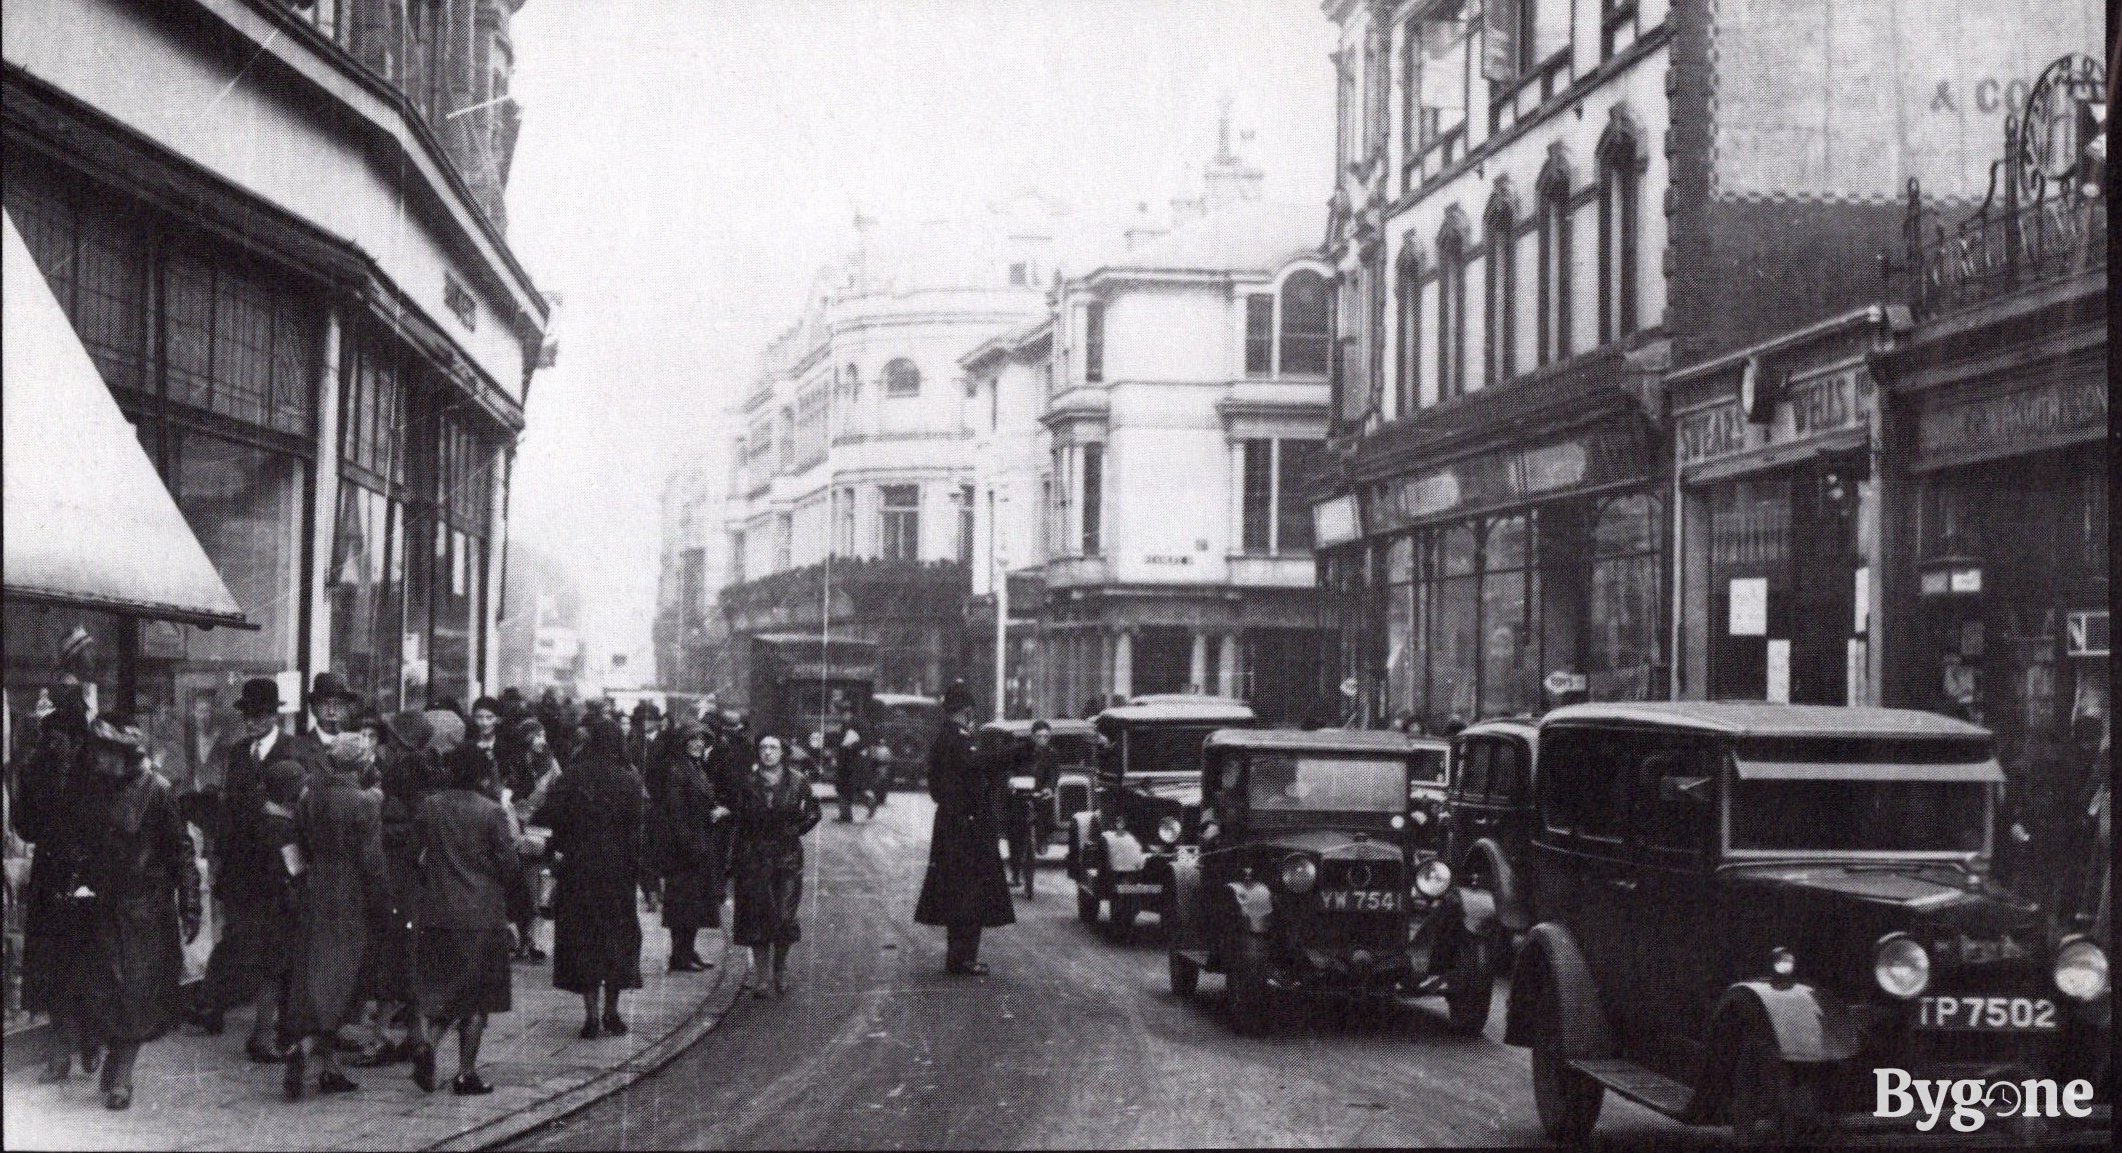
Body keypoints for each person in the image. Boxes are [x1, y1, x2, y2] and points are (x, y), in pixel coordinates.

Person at [72, 717, 203, 1110]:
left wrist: (190, 904)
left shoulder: (157, 790)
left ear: (123, 755)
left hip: (145, 908)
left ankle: (123, 1076)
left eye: (104, 753)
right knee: (105, 989)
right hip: (102, 905)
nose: (96, 760)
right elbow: (82, 843)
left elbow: (181, 850)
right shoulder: (94, 788)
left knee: (136, 994)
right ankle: (111, 1051)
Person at [407, 738, 520, 1096]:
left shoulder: (430, 806)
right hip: (480, 915)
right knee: (476, 1000)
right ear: (482, 775)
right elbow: (509, 865)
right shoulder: (490, 812)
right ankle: (465, 1073)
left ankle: (428, 1045)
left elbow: (415, 854)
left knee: (443, 990)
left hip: (437, 912)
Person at [283, 738, 387, 1099]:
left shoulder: (309, 797)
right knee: (344, 977)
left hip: (316, 887)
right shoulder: (367, 802)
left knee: (315, 973)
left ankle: (329, 1067)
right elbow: (372, 860)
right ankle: (309, 1046)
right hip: (350, 891)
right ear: (359, 764)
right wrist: (380, 900)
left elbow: (293, 844)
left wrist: (300, 878)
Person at [187, 676, 289, 1038]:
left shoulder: (293, 751)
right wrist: (217, 858)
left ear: (274, 715)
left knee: (271, 941)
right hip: (241, 865)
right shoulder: (236, 753)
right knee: (234, 935)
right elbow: (228, 809)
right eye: (248, 714)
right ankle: (212, 1004)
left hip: (277, 865)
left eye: (260, 714)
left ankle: (260, 1021)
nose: (252, 721)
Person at [536, 718, 648, 1037]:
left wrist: (561, 849)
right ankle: (612, 1012)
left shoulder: (571, 778)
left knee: (584, 939)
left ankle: (591, 1016)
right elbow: (637, 828)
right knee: (616, 939)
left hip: (579, 870)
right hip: (617, 872)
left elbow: (553, 821)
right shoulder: (629, 780)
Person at [14, 688, 99, 1083]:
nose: (54, 743)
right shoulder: (37, 770)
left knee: (89, 963)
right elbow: (25, 826)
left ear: (77, 735)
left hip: (92, 877)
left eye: (60, 735)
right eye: (49, 736)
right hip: (50, 879)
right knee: (55, 966)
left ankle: (91, 1038)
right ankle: (62, 1048)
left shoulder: (99, 770)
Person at [914, 682, 1014, 975]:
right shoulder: (957, 740)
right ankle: (964, 958)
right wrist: (1011, 753)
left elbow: (936, 781)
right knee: (971, 892)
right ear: (968, 712)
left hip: (952, 823)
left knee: (957, 890)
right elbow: (976, 765)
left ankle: (957, 956)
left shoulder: (944, 738)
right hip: (966, 826)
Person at [728, 733, 822, 997]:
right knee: (758, 918)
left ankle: (779, 970)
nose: (767, 752)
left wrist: (797, 829)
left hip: (787, 857)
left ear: (783, 752)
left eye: (773, 747)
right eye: (763, 748)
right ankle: (762, 978)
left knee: (784, 916)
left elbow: (814, 811)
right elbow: (739, 821)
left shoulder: (798, 781)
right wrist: (735, 860)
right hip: (755, 856)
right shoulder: (747, 782)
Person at [658, 723, 729, 971]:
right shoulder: (678, 771)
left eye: (701, 739)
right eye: (693, 739)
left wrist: (715, 811)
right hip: (685, 847)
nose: (698, 743)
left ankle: (688, 950)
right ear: (683, 742)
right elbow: (676, 813)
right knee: (683, 904)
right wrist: (689, 844)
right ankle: (680, 955)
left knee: (695, 902)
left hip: (698, 841)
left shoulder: (695, 768)